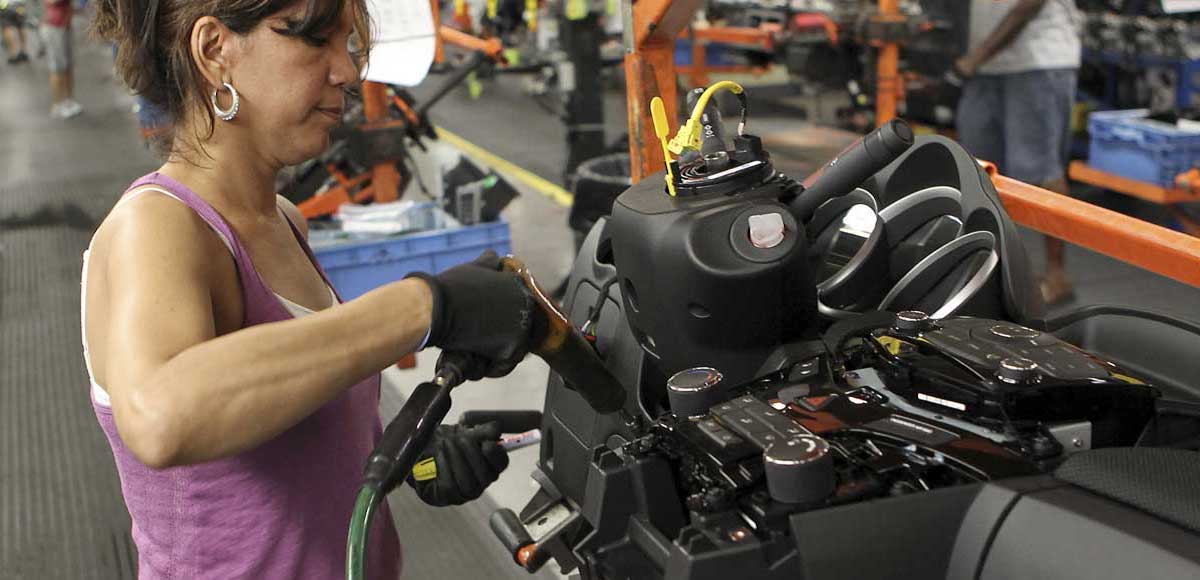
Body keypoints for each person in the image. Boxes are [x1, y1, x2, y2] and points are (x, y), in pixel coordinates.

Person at [85, 0, 536, 577]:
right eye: (314, 39)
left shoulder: (284, 221)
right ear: (214, 50)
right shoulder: (157, 226)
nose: (346, 72)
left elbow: (293, 426)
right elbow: (159, 415)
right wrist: (422, 305)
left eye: (345, 45)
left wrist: (415, 454)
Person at [955, 0, 1081, 304]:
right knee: (977, 169)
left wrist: (977, 56)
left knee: (1039, 171)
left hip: (1037, 59)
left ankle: (1056, 275)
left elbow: (1029, 4)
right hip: (987, 65)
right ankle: (991, 271)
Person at [42, 0, 80, 117]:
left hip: (65, 26)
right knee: (57, 68)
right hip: (54, 27)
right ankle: (58, 104)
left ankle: (69, 101)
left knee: (68, 67)